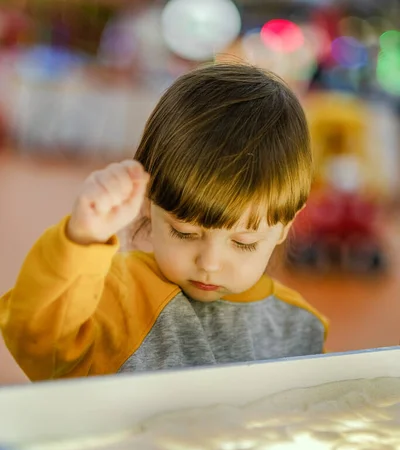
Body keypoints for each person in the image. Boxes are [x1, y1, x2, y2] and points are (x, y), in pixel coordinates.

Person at [0, 62, 328, 381]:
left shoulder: (299, 325)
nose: (209, 263)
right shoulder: (116, 299)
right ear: (147, 202)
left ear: (285, 224)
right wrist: (83, 239)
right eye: (184, 232)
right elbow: (37, 337)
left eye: (244, 242)